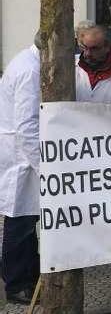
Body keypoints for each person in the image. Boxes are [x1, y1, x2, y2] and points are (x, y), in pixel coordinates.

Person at [0, 41, 40, 305]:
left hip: (20, 152)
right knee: (19, 219)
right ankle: (15, 284)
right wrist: (44, 166)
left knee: (27, 217)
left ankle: (29, 274)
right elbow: (26, 125)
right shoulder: (30, 70)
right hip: (20, 154)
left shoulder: (27, 60)